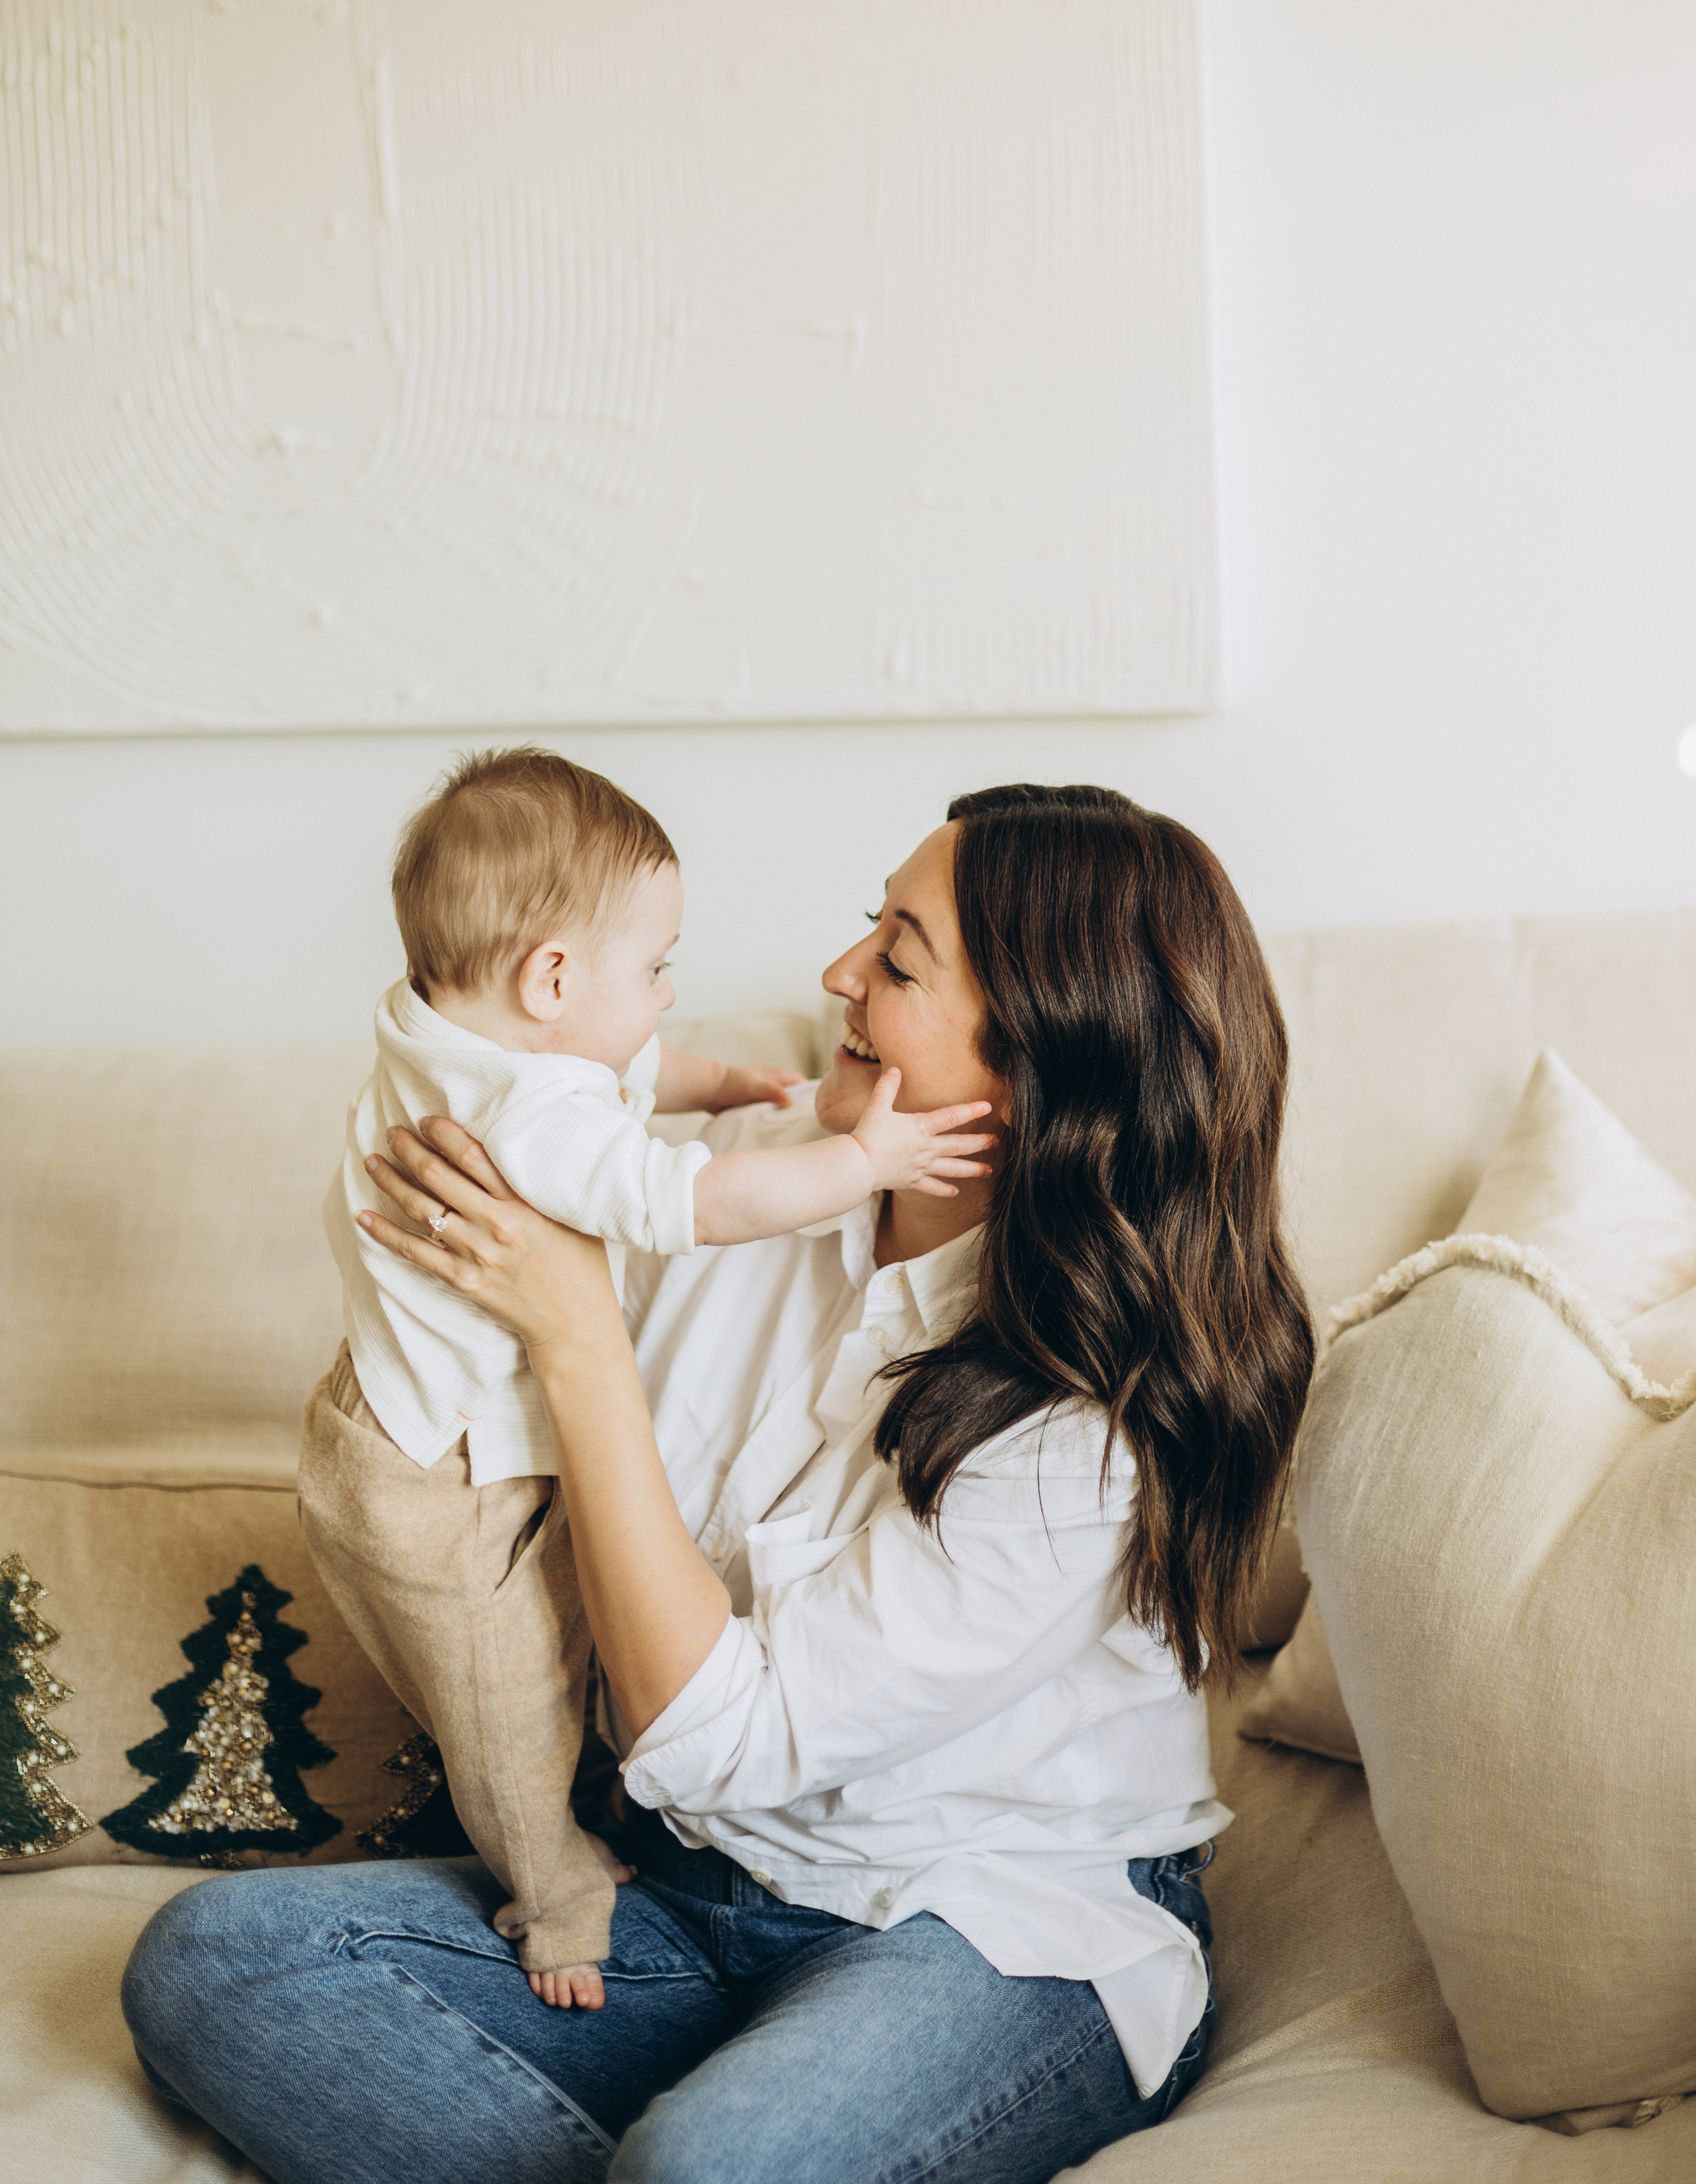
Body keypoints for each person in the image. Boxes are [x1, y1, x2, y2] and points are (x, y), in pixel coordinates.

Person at [123, 783, 1316, 2184]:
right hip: (683, 1890)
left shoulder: (1092, 1428)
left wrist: (578, 1341)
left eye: (899, 961)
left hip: (983, 1922)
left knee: (712, 2169)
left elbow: (720, 1738)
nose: (837, 973)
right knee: (216, 1965)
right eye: (869, 925)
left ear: (1038, 1056)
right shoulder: (740, 1184)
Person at [301, 747, 993, 1997]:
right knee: (507, 1688)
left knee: (542, 1657)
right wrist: (861, 1160)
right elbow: (689, 1199)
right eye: (658, 970)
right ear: (552, 980)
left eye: (896, 962)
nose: (835, 974)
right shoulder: (557, 1125)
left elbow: (632, 1076)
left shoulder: (458, 1033)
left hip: (923, 1898)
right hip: (441, 1462)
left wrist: (723, 1084)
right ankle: (553, 1886)